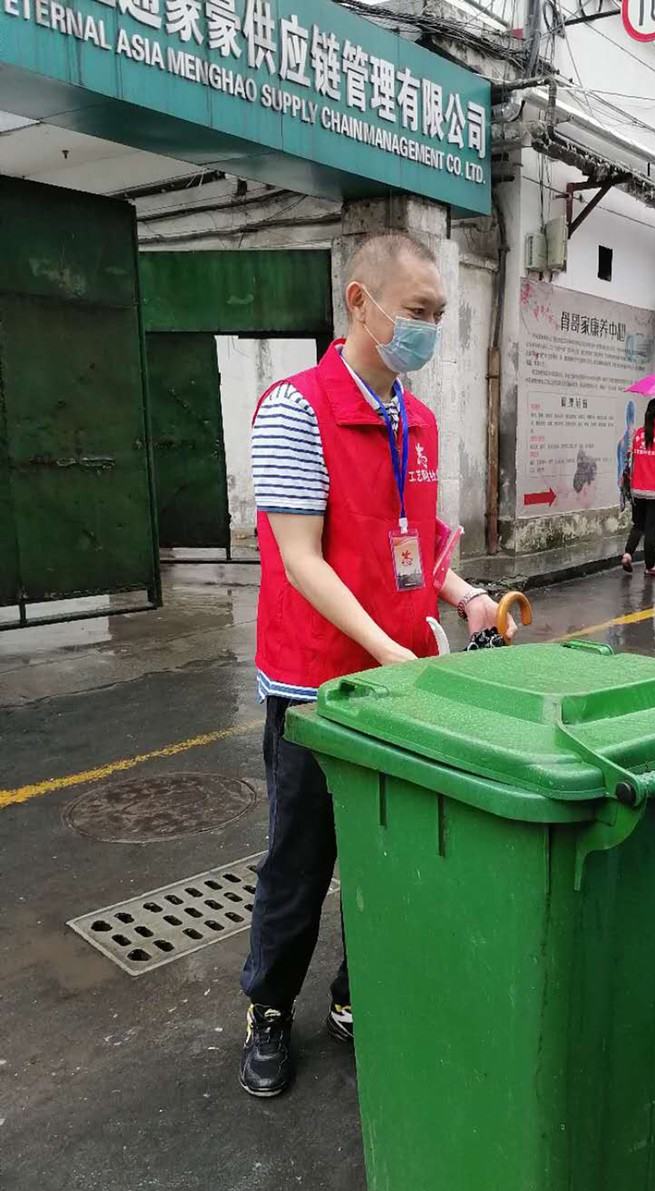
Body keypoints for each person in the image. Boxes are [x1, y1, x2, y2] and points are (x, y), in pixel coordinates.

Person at [239, 232, 506, 1098]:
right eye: (418, 312)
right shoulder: (295, 408)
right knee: (301, 859)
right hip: (317, 689)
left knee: (390, 855)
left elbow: (415, 545)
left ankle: (359, 997)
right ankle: (271, 1007)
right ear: (361, 302)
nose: (429, 331)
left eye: (438, 315)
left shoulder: (417, 421)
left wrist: (463, 596)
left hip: (400, 687)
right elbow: (301, 556)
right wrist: (387, 646)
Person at [621, 398, 655, 578]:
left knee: (638, 525)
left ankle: (628, 553)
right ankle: (650, 566)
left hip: (638, 488)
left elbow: (632, 456)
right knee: (652, 529)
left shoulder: (638, 433)